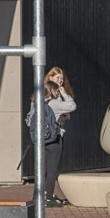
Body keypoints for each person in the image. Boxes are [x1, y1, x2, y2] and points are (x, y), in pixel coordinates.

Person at [42, 67, 76, 207]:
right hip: (54, 136)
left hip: (41, 136)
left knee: (42, 168)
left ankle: (41, 194)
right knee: (51, 169)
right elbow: (72, 106)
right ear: (50, 79)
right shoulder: (56, 100)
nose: (60, 82)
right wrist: (65, 96)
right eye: (57, 78)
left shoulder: (39, 99)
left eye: (62, 78)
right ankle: (48, 197)